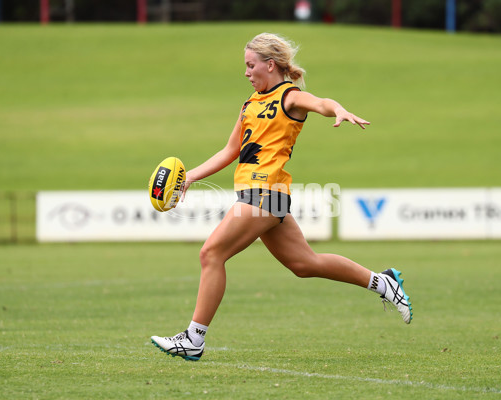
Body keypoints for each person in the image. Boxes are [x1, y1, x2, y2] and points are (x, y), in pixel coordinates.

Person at [151, 33, 412, 361]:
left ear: (270, 65)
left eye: (251, 65)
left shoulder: (289, 96)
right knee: (305, 264)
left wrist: (338, 110)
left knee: (211, 254)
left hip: (265, 193)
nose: (246, 73)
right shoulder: (249, 104)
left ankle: (194, 339)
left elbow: (320, 103)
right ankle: (383, 283)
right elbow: (231, 150)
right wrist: (190, 176)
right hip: (260, 196)